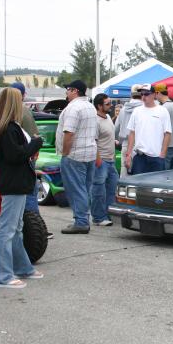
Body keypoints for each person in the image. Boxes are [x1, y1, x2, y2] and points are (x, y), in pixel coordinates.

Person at [0, 87, 43, 288]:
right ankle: (2, 276)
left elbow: (12, 154)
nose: (23, 104)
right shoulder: (8, 129)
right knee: (8, 229)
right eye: (20, 100)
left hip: (14, 182)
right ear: (13, 103)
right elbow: (16, 155)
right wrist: (36, 143)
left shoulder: (4, 127)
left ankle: (23, 268)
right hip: (14, 183)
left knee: (16, 228)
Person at [9, 82, 52, 238]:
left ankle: (34, 231)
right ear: (24, 95)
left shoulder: (14, 112)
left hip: (22, 159)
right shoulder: (25, 111)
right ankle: (37, 229)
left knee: (27, 194)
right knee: (30, 193)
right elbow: (35, 136)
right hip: (27, 157)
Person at [56, 80, 98, 235]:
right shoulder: (90, 106)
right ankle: (84, 219)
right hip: (89, 152)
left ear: (75, 91)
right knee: (85, 189)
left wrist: (65, 153)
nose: (66, 92)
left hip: (74, 154)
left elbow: (69, 133)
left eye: (68, 89)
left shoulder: (73, 108)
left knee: (76, 189)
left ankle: (81, 222)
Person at [125, 84, 171, 175]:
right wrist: (128, 155)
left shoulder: (162, 111)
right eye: (142, 94)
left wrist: (162, 154)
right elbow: (132, 133)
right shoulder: (136, 111)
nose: (143, 96)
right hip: (140, 156)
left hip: (157, 157)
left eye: (146, 94)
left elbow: (167, 133)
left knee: (156, 184)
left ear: (154, 94)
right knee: (137, 183)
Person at [91, 93, 118, 226]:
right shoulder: (95, 121)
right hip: (101, 160)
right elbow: (93, 142)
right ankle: (98, 218)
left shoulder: (107, 117)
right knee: (99, 191)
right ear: (99, 106)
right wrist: (98, 160)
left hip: (110, 160)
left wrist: (114, 141)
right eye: (107, 104)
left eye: (110, 103)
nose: (110, 106)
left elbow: (106, 136)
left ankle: (108, 214)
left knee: (112, 189)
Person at [114, 84, 143, 177]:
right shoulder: (144, 109)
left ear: (131, 94)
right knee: (139, 174)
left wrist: (119, 141)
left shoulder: (123, 109)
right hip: (141, 145)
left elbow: (116, 127)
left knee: (124, 172)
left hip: (126, 144)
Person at [154, 83, 173, 170]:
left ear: (158, 93)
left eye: (155, 94)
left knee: (163, 175)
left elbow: (159, 128)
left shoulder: (163, 108)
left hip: (166, 146)